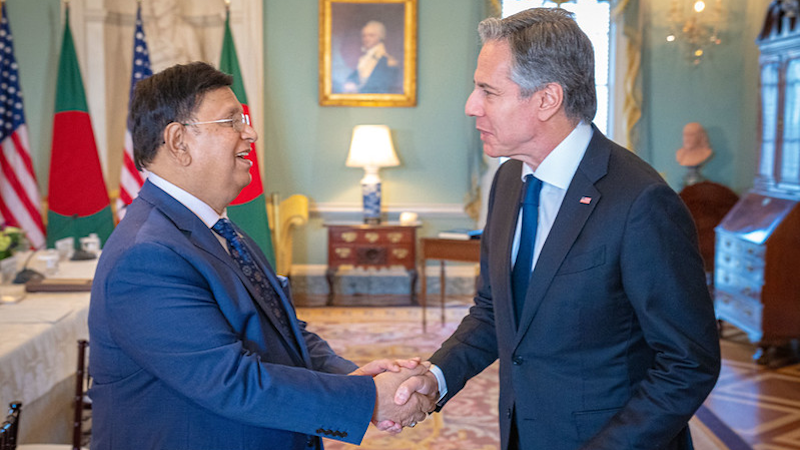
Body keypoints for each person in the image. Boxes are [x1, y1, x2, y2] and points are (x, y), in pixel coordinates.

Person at [394, 8, 721, 450]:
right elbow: (496, 311)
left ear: (547, 99)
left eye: (488, 91)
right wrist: (436, 377)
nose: (471, 106)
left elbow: (688, 363)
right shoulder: (509, 180)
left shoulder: (642, 202)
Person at [88, 61, 431, 450]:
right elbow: (231, 382)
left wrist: (353, 376)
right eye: (231, 121)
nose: (249, 132)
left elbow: (284, 332)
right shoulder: (147, 255)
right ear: (179, 141)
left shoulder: (221, 230)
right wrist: (370, 399)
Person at [342, 20, 401, 94]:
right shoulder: (363, 60)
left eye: (371, 35)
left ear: (380, 37)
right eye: (364, 36)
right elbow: (352, 79)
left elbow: (384, 89)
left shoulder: (390, 63)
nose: (366, 39)